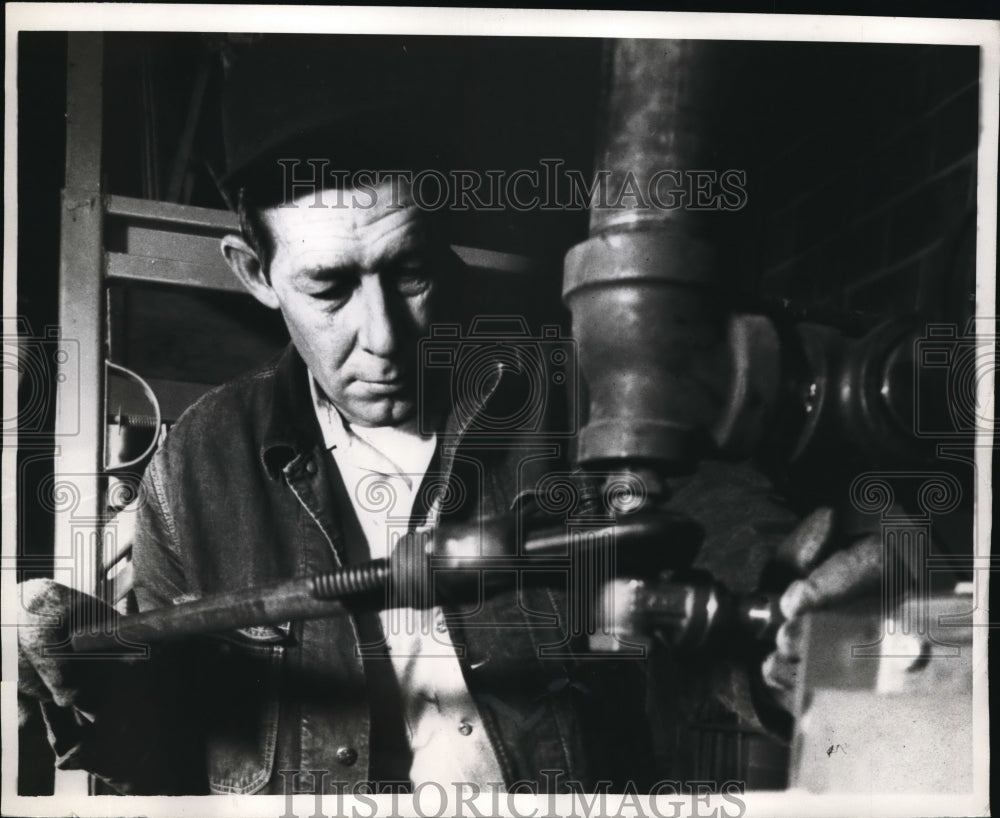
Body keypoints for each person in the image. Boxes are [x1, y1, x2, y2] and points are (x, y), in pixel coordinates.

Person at [17, 36, 884, 796]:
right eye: (330, 288)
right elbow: (168, 760)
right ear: (254, 272)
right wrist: (89, 683)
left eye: (411, 271)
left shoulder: (572, 393)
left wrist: (790, 625)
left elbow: (719, 543)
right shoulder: (199, 466)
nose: (385, 335)